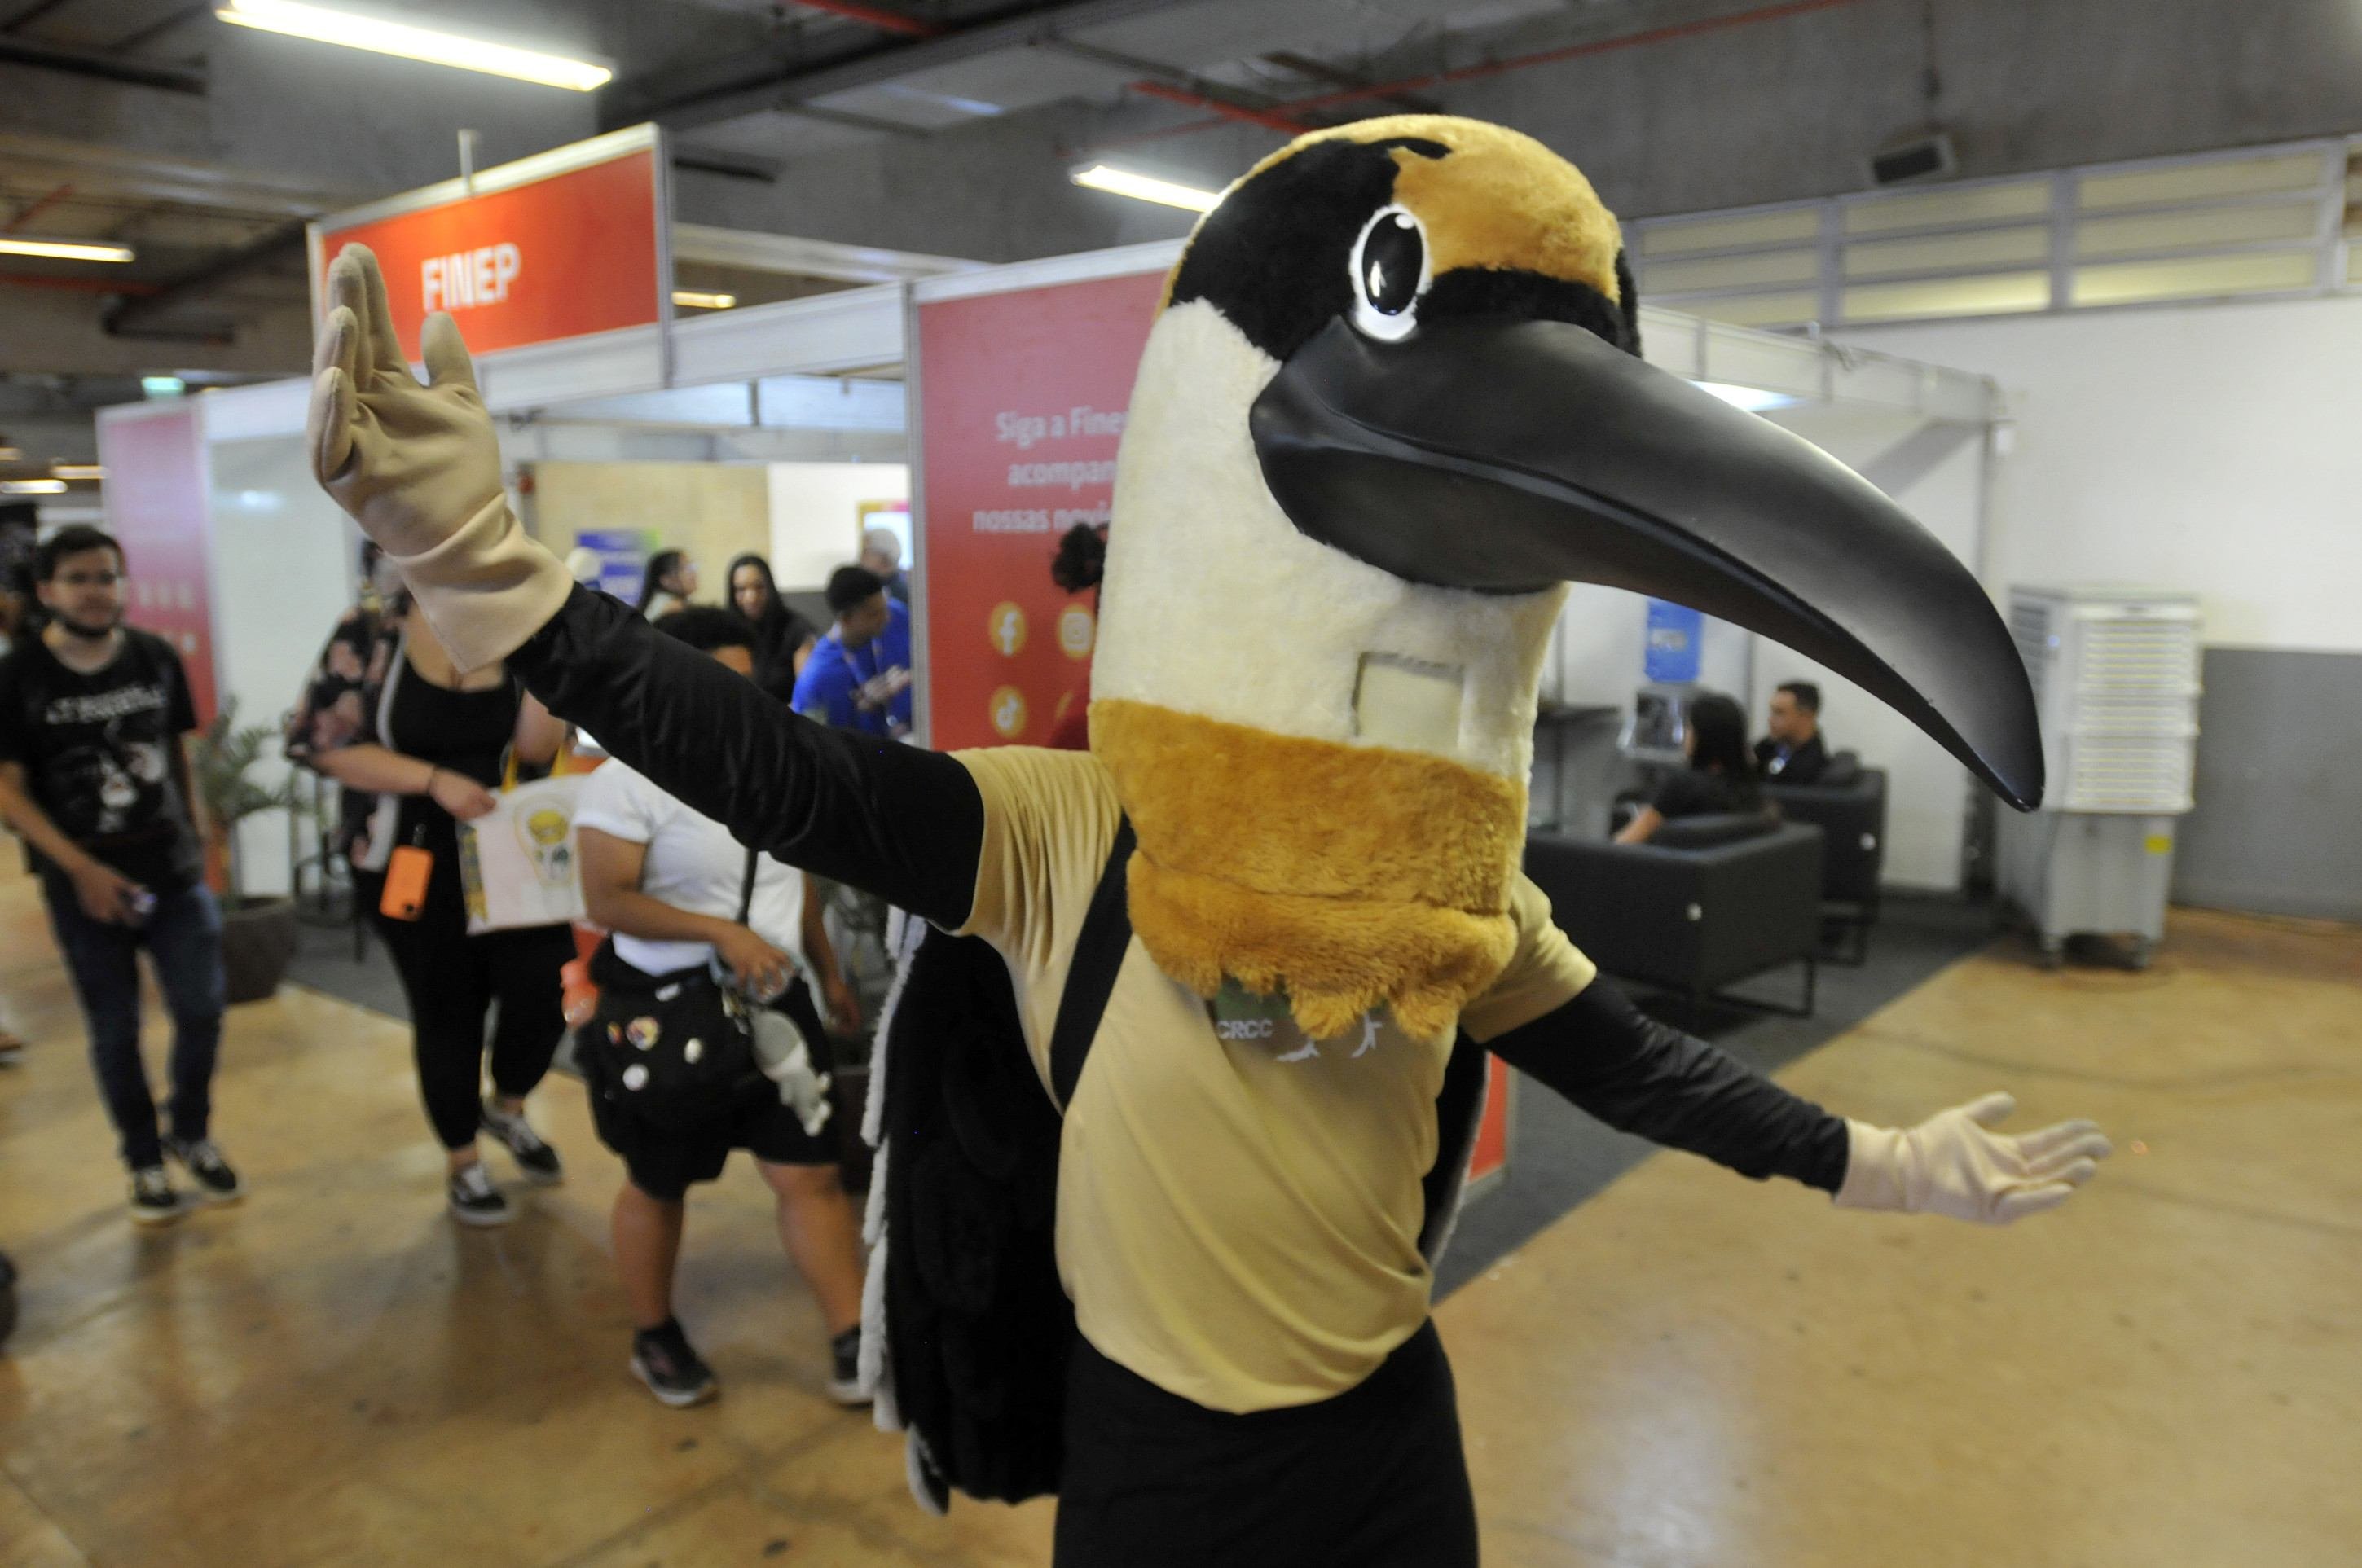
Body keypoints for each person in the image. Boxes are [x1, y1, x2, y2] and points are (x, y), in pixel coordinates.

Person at [311, 113, 2106, 1562]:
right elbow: (786, 777)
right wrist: (494, 577)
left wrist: (1874, 1157)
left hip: (1389, 1419)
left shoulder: (1448, 888)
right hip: (1160, 1452)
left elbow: (1631, 1063)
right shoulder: (1067, 832)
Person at [574, 606, 869, 1409]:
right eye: (721, 681)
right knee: (659, 1179)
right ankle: (654, 1332)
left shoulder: (768, 765)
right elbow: (607, 898)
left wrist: (828, 969)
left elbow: (793, 877)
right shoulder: (623, 783)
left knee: (809, 1174)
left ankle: (851, 1338)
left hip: (777, 997)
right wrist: (720, 932)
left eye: (749, 681)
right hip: (674, 1014)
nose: (742, 697)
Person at [284, 573, 572, 1226]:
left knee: (544, 986)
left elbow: (535, 748)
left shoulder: (513, 625)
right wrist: (433, 780)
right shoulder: (370, 634)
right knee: (447, 1007)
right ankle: (463, 1158)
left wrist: (552, 660)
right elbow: (318, 743)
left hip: (508, 847)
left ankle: (506, 1109)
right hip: (405, 853)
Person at [0, 525, 240, 1223]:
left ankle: (189, 1132)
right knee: (115, 1027)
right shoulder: (17, 678)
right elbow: (9, 790)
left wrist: (201, 835)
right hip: (84, 886)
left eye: (107, 576)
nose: (97, 591)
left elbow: (177, 751)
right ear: (47, 592)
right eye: (79, 578)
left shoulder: (156, 658)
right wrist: (80, 869)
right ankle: (142, 1158)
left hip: (171, 872)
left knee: (201, 1010)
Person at [1615, 691, 1764, 845]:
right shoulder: (1750, 785)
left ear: (1701, 737)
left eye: (1689, 728)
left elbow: (1627, 842)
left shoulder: (1683, 785)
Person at [790, 565, 911, 739]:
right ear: (846, 619)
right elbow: (812, 745)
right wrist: (858, 710)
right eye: (874, 614)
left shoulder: (898, 617)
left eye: (885, 607)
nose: (886, 617)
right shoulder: (818, 678)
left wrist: (914, 677)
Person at [726, 552, 818, 703]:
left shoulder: (795, 628)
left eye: (759, 587)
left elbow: (807, 694)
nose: (751, 597)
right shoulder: (726, 632)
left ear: (770, 587)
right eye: (741, 589)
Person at [1755, 679, 1831, 784]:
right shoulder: (1770, 746)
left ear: (1806, 716)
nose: (1770, 720)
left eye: (1779, 712)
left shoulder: (1811, 769)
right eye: (1772, 711)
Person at [636, 549, 696, 620]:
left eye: (691, 567)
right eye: (685, 569)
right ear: (666, 580)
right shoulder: (671, 608)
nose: (693, 575)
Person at [860, 525, 908, 604]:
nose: (861, 557)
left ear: (885, 556)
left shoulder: (902, 594)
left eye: (866, 551)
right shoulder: (865, 588)